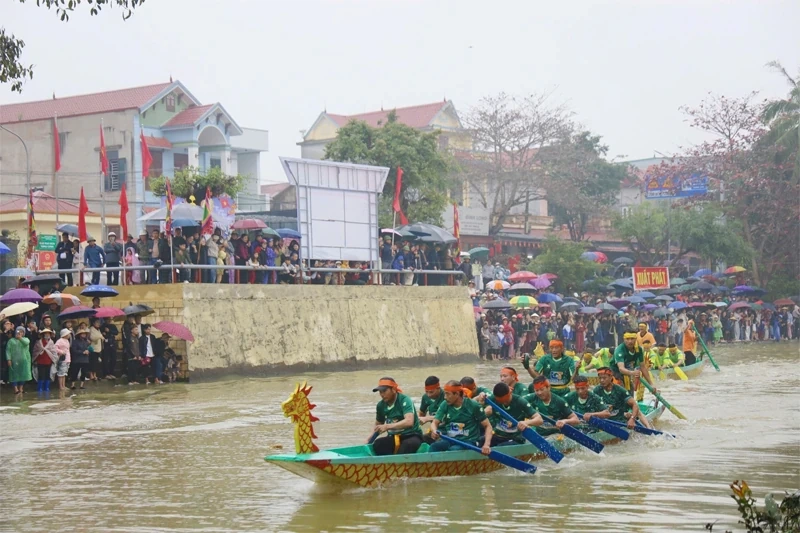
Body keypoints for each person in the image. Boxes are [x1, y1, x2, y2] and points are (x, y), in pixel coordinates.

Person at [429, 380, 492, 455]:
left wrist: (486, 445)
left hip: (469, 441)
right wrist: (434, 431)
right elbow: (435, 423)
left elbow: (488, 426)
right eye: (445, 394)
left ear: (457, 394)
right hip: (451, 439)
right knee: (434, 446)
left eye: (447, 394)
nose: (445, 397)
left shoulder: (473, 405)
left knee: (454, 449)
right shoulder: (445, 405)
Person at [369, 377, 423, 456]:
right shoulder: (381, 405)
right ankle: (388, 464)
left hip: (412, 435)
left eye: (384, 391)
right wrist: (368, 440)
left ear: (393, 390)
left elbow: (409, 421)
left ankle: (400, 464)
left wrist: (387, 426)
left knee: (407, 444)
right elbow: (378, 425)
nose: (382, 394)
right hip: (394, 437)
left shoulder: (405, 400)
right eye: (380, 392)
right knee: (378, 444)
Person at [484, 382, 540, 446]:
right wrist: (480, 398)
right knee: (480, 442)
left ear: (509, 393)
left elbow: (539, 420)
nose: (502, 403)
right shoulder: (493, 398)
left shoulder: (520, 401)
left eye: (504, 400)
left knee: (500, 447)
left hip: (516, 438)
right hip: (498, 435)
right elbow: (475, 405)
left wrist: (526, 423)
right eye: (499, 401)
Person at [613, 331, 658, 398]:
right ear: (624, 339)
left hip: (629, 373)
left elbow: (643, 367)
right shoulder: (620, 350)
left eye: (632, 339)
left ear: (636, 339)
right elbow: (621, 369)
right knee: (621, 394)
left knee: (630, 396)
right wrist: (633, 373)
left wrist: (651, 384)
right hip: (616, 373)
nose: (630, 341)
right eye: (627, 339)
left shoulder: (639, 349)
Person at [6, 326, 32, 394]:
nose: (20, 333)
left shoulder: (26, 339)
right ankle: (15, 389)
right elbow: (8, 351)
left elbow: (26, 343)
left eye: (22, 331)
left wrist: (20, 338)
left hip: (24, 360)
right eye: (18, 331)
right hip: (14, 361)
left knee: (23, 375)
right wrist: (8, 359)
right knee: (14, 374)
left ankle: (21, 388)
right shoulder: (11, 341)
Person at [32, 328, 57, 392]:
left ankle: (47, 387)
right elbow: (35, 351)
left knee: (47, 375)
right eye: (46, 333)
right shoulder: (39, 342)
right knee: (41, 375)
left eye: (48, 333)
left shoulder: (51, 342)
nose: (47, 335)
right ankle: (39, 388)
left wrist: (53, 359)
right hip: (40, 361)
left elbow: (53, 351)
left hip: (48, 361)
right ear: (43, 334)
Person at [69, 324, 91, 389]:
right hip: (77, 359)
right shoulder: (75, 342)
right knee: (75, 372)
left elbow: (88, 348)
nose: (83, 335)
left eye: (84, 334)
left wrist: (87, 351)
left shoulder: (86, 342)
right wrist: (82, 352)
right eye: (82, 334)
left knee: (84, 372)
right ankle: (73, 384)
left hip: (85, 359)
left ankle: (82, 385)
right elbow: (74, 350)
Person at [88, 317, 104, 381]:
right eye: (97, 322)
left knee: (96, 363)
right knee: (92, 362)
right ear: (93, 323)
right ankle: (91, 375)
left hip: (98, 348)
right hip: (93, 348)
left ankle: (95, 375)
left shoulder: (98, 329)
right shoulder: (91, 329)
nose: (98, 324)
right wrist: (100, 336)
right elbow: (92, 338)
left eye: (99, 323)